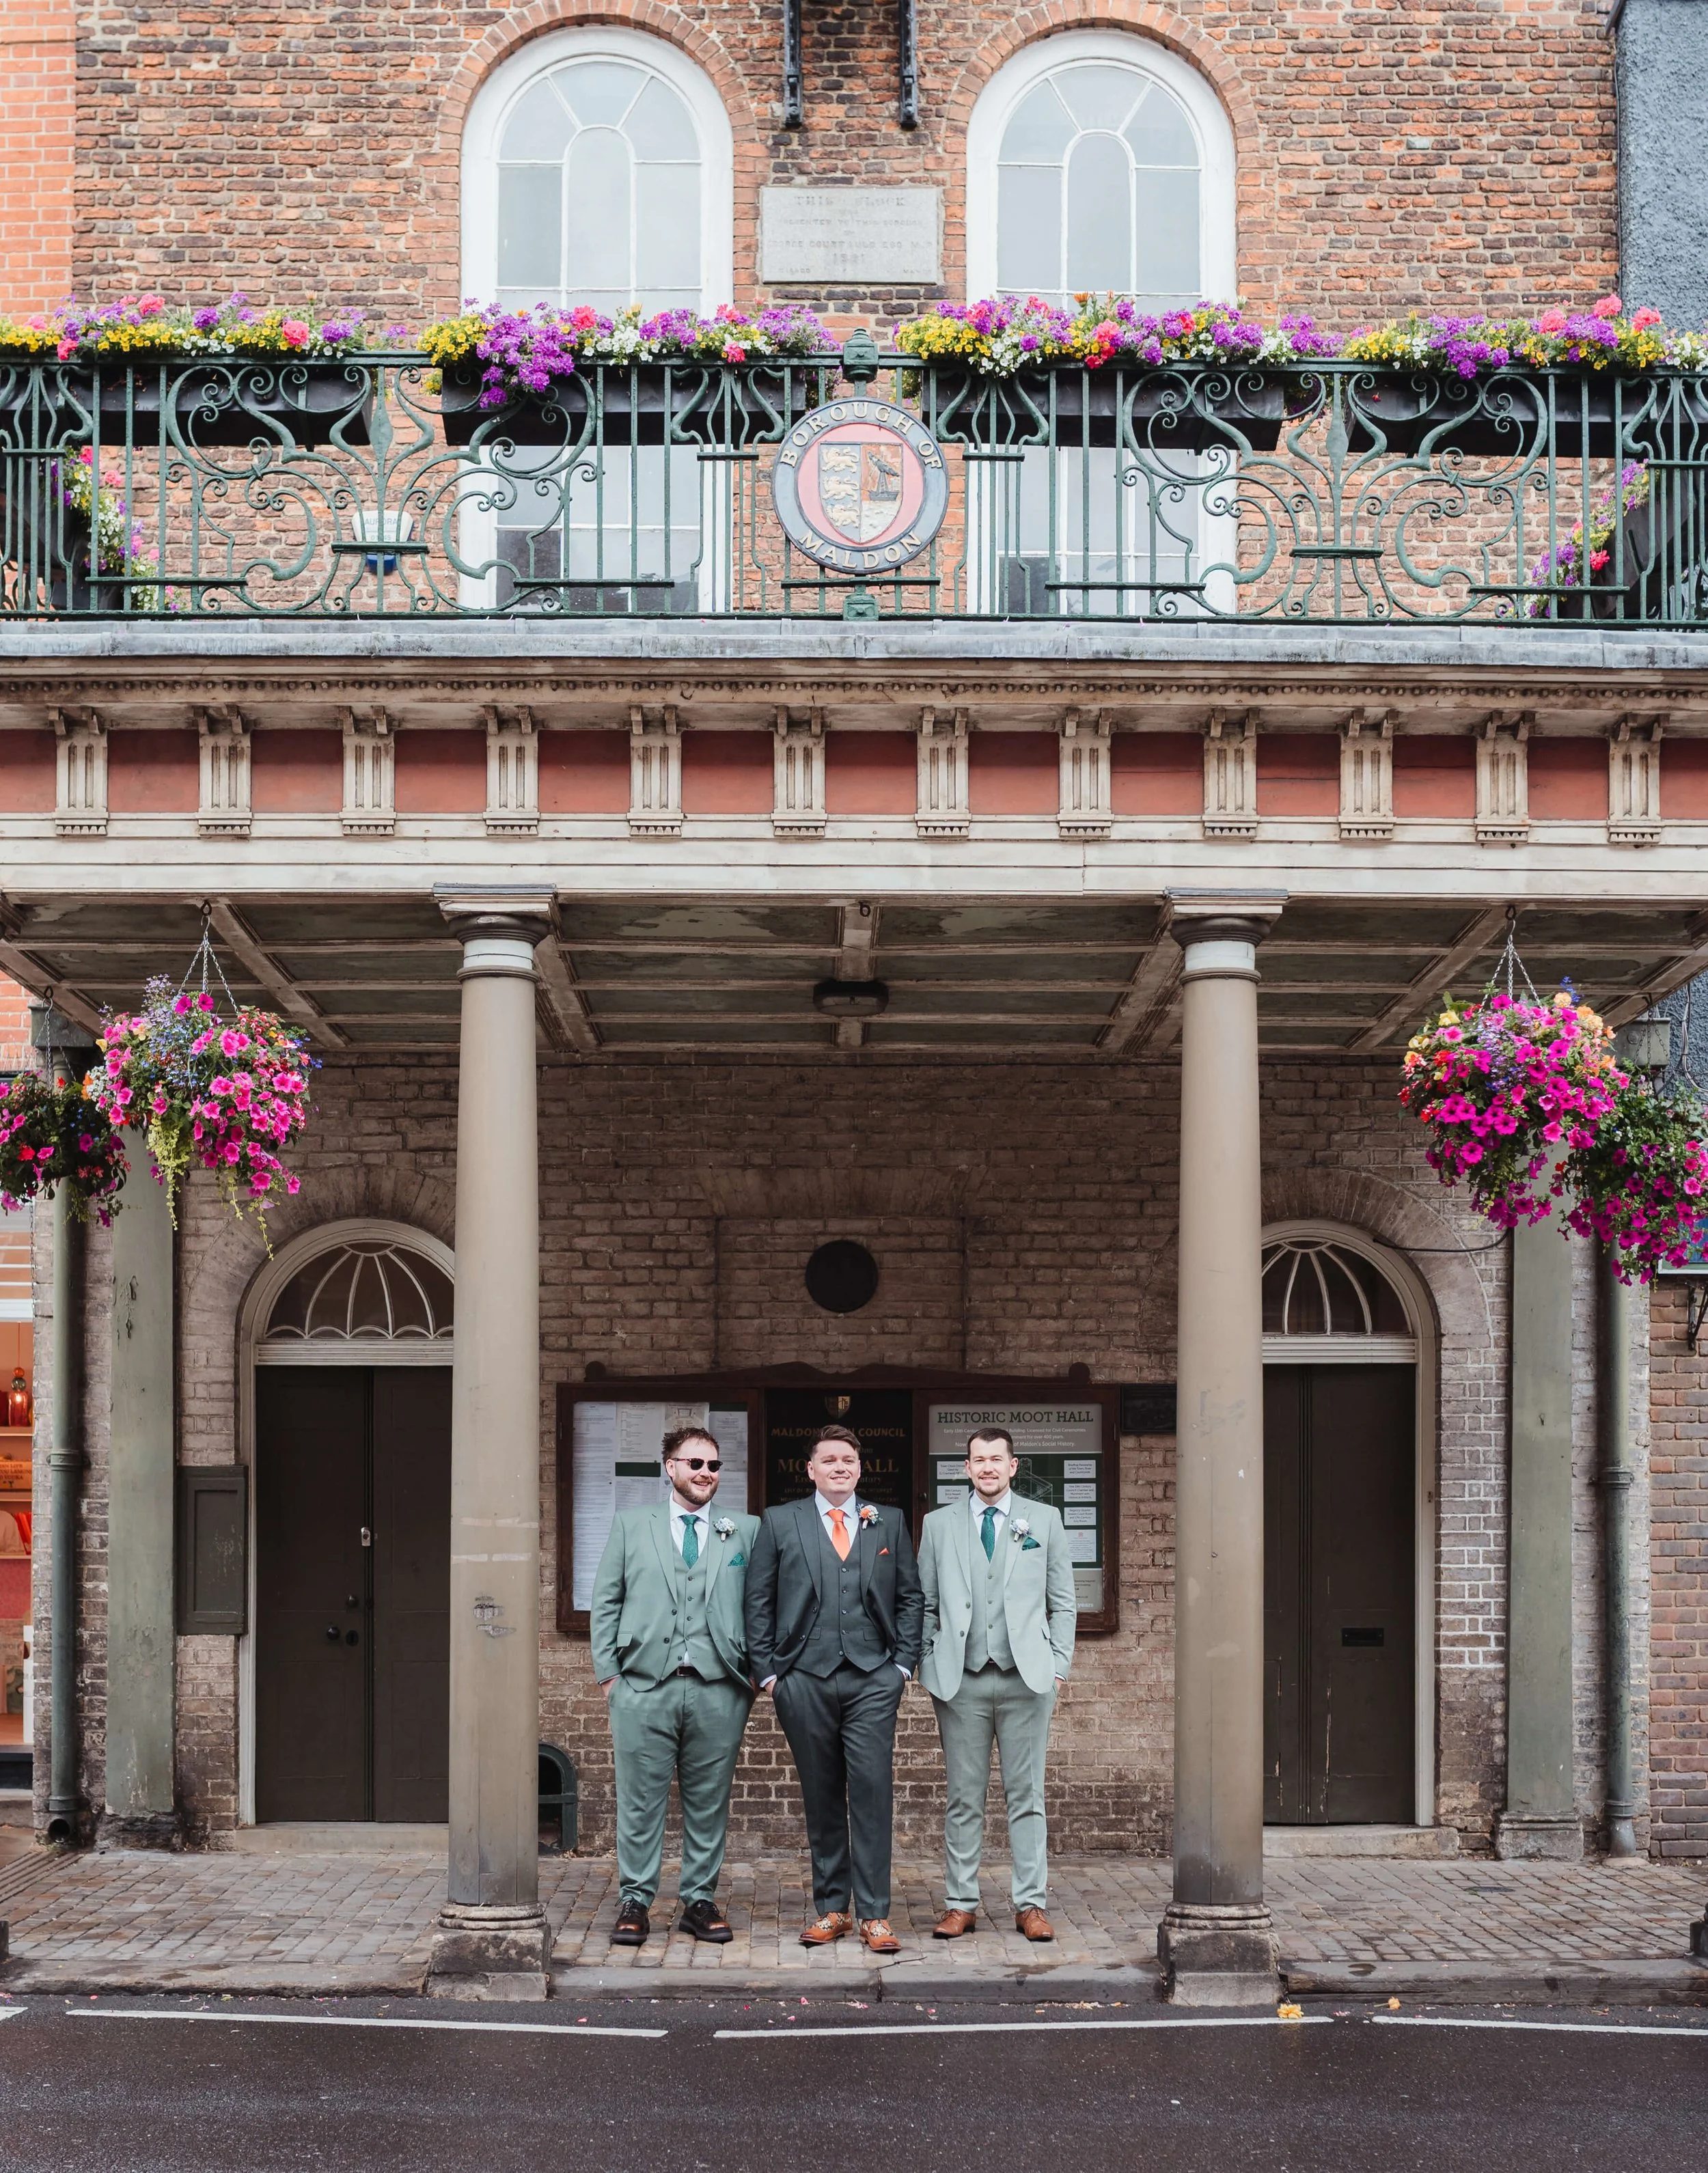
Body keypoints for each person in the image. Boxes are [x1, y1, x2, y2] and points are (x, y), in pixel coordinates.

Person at [744, 1423, 923, 1953]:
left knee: (871, 1791)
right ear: (811, 1469)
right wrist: (771, 1674)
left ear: (860, 1468)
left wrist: (902, 1667)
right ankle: (831, 1909)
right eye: (829, 1459)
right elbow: (759, 1600)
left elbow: (911, 1597)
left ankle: (875, 1914)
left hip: (873, 1677)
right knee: (821, 1794)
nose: (840, 1466)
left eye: (848, 1459)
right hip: (803, 1677)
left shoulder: (886, 1520)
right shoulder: (780, 1521)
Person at [590, 1424, 760, 1947]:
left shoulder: (744, 1529)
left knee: (709, 1800)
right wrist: (610, 1675)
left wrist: (750, 1674)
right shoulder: (630, 1524)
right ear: (671, 1467)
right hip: (643, 1685)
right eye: (695, 1463)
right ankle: (635, 1900)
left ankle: (699, 1900)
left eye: (713, 1466)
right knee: (639, 1801)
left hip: (719, 1687)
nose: (706, 1473)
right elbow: (606, 1600)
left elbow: (761, 1604)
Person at [917, 1426, 1077, 1942]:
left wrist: (1057, 1667)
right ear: (966, 1467)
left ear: (1013, 1466)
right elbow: (925, 1602)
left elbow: (1063, 1601)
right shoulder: (938, 1524)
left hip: (1027, 1681)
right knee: (963, 1797)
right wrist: (927, 1660)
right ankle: (960, 1902)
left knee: (1026, 1796)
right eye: (978, 1459)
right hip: (960, 1681)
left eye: (996, 1459)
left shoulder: (1045, 1520)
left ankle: (1031, 1903)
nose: (987, 1467)